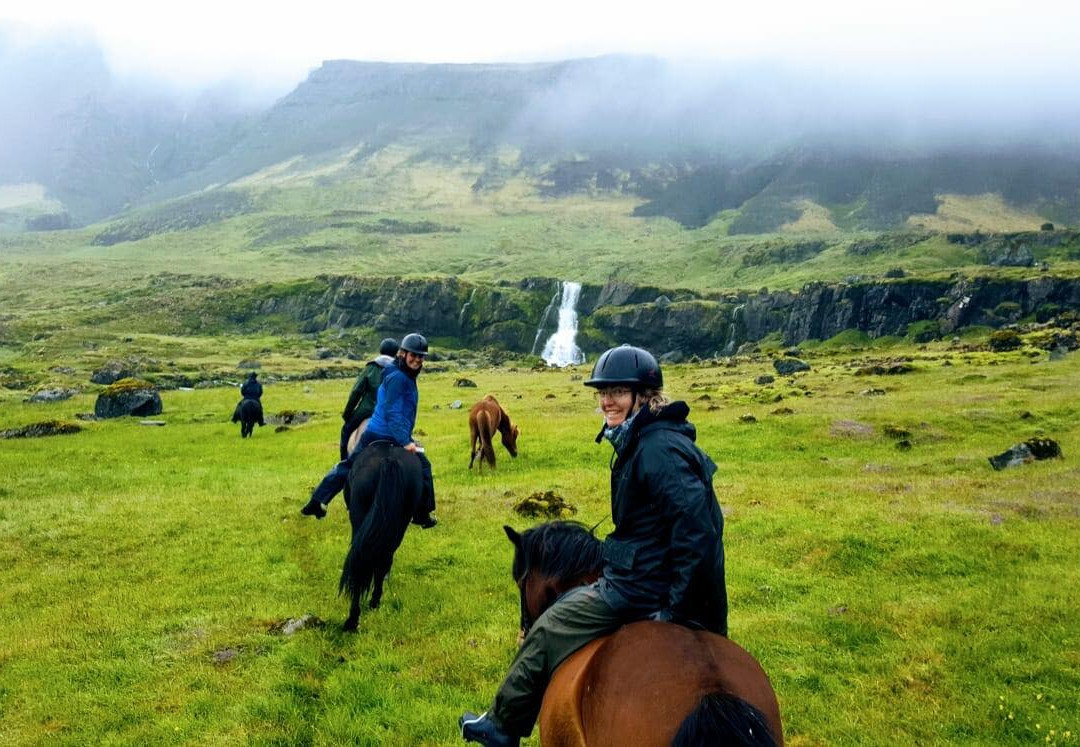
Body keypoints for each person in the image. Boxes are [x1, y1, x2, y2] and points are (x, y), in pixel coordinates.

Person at [460, 344, 727, 747]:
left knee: (550, 627)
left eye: (617, 392)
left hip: (642, 586)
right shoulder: (648, 438)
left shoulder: (657, 450)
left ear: (643, 396)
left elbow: (699, 535)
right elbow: (657, 529)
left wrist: (673, 609)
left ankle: (503, 725)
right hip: (656, 574)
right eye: (602, 392)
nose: (606, 401)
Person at [301, 333, 438, 528]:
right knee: (424, 465)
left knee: (348, 464)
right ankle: (423, 513)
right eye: (413, 355)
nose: (417, 359)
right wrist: (405, 441)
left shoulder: (397, 371)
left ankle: (318, 500)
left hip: (373, 432)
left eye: (421, 356)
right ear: (403, 353)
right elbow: (393, 412)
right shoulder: (399, 378)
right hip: (389, 434)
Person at [339, 338, 399, 460]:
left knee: (346, 430)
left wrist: (347, 415)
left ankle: (344, 464)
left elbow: (356, 391)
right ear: (395, 353)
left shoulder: (371, 367)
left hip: (367, 411)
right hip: (390, 414)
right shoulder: (399, 370)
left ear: (381, 350)